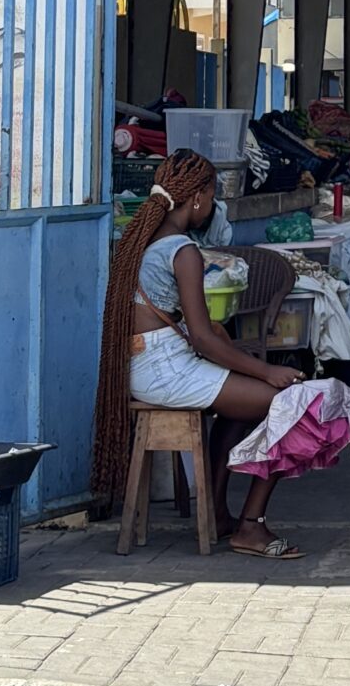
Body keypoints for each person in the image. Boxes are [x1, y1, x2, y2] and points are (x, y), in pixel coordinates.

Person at [91, 149, 306, 561]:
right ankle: (251, 525)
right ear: (197, 198)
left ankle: (218, 515)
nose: (212, 205)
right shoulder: (182, 250)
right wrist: (266, 371)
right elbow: (204, 340)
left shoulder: (144, 239)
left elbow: (190, 330)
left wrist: (246, 365)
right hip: (166, 371)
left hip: (149, 365)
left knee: (238, 410)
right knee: (292, 404)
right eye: (212, 196)